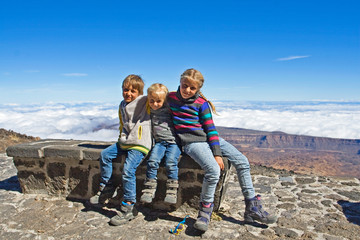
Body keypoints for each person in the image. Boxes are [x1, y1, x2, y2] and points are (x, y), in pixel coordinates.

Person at [167, 68, 277, 232]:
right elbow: (152, 99)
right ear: (180, 83)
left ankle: (252, 206)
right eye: (185, 86)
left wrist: (217, 153)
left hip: (207, 138)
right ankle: (205, 212)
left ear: (198, 89)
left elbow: (211, 130)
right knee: (213, 170)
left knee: (243, 162)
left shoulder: (202, 104)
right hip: (191, 142)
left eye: (192, 88)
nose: (187, 90)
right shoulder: (170, 98)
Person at [89, 74, 152, 226]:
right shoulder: (122, 105)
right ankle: (107, 187)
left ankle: (128, 208)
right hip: (125, 141)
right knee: (105, 155)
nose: (128, 93)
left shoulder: (145, 102)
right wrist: (121, 138)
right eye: (126, 90)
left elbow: (159, 95)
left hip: (139, 143)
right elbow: (122, 123)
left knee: (128, 171)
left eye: (133, 91)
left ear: (140, 93)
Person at [140, 83, 181, 205]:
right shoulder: (148, 109)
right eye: (152, 101)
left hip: (174, 143)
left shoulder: (169, 108)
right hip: (160, 143)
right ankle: (149, 188)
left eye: (159, 101)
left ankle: (172, 190)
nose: (155, 104)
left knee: (170, 162)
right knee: (152, 161)